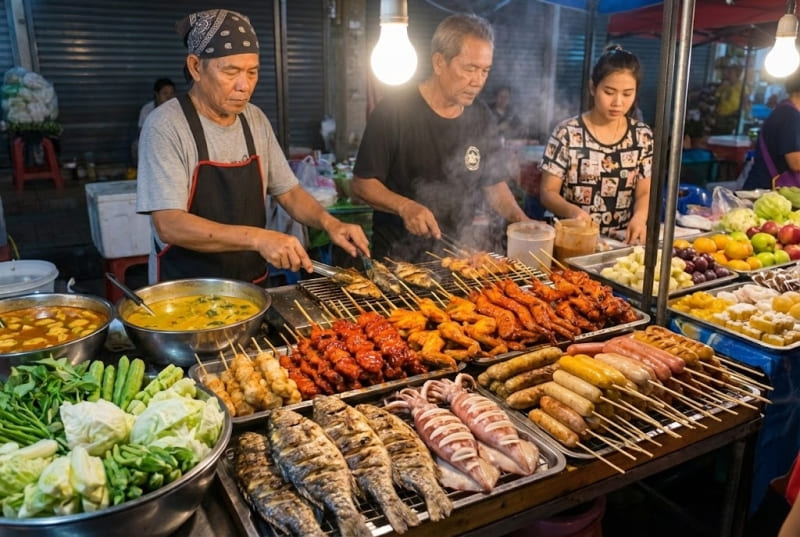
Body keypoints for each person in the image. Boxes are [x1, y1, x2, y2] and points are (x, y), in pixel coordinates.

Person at [136, 8, 369, 284]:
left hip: (251, 287)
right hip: (186, 291)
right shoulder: (165, 125)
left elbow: (289, 192)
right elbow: (169, 224)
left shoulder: (254, 119)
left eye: (252, 72)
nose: (244, 86)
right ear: (196, 67)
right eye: (231, 71)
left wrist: (331, 223)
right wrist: (259, 238)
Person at [351, 13, 530, 262]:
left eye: (485, 71)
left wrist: (521, 220)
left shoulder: (482, 116)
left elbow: (494, 184)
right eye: (470, 68)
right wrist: (405, 206)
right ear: (439, 63)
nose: (478, 81)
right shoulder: (393, 110)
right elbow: (362, 185)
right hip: (398, 260)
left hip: (458, 258)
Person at [539, 44, 653, 244]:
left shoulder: (642, 136)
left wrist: (640, 218)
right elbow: (548, 192)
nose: (618, 102)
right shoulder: (567, 133)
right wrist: (573, 212)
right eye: (609, 92)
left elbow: (644, 191)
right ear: (593, 88)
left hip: (619, 242)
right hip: (571, 239)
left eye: (627, 94)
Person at [743, 67, 800, 190]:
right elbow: (795, 162)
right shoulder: (790, 116)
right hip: (765, 192)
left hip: (765, 189)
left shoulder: (786, 110)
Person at [132, 78, 175, 166]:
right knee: (136, 146)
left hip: (170, 142)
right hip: (151, 141)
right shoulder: (147, 109)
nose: (169, 97)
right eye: (165, 93)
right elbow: (141, 131)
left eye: (171, 93)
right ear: (157, 94)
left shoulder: (176, 110)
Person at [711, 64, 744, 136]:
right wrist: (721, 87)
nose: (727, 75)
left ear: (737, 74)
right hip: (719, 115)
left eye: (730, 72)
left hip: (730, 118)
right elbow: (716, 97)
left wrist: (738, 113)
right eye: (727, 72)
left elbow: (745, 101)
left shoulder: (741, 86)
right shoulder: (725, 85)